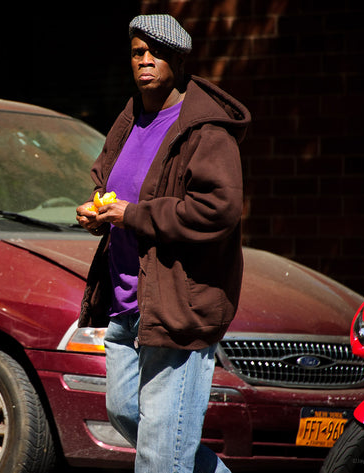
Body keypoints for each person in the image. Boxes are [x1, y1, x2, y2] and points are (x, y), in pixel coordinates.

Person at [76, 14, 251, 473]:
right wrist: (98, 211)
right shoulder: (130, 118)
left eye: (156, 52)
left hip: (177, 306)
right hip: (126, 304)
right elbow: (108, 181)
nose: (145, 61)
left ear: (177, 58)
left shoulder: (205, 130)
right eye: (137, 52)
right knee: (126, 415)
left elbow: (219, 210)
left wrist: (132, 216)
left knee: (158, 456)